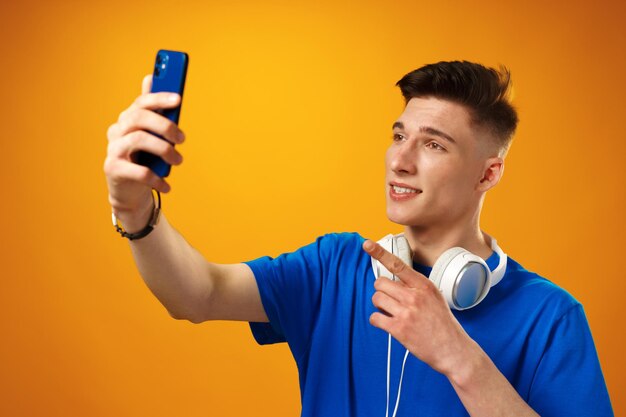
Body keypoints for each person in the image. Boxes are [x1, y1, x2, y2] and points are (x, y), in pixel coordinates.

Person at [104, 61, 613, 416]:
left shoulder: (551, 317)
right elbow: (198, 295)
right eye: (398, 136)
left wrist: (461, 359)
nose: (400, 160)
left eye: (433, 144)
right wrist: (134, 208)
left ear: (488, 174)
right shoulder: (336, 267)